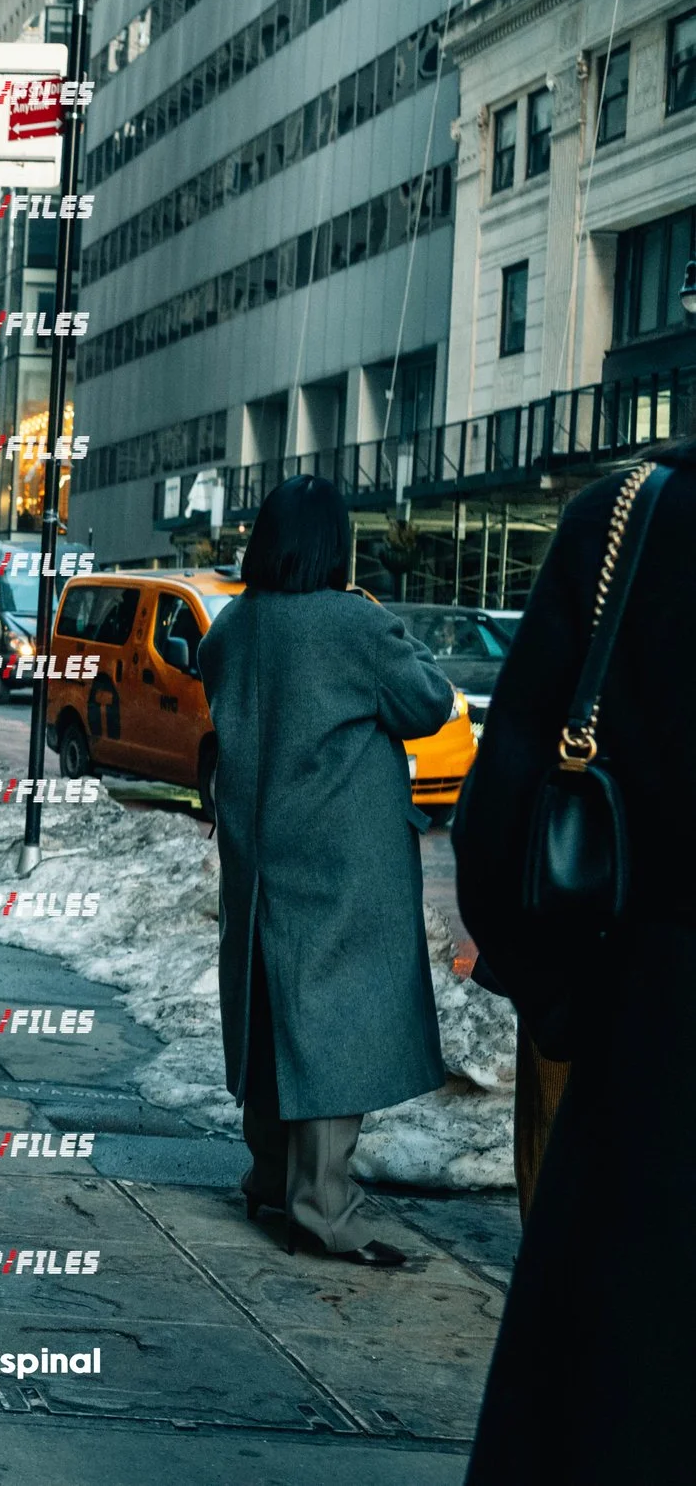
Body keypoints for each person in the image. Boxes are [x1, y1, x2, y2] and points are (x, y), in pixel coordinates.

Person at [455, 438, 693, 1485]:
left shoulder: (628, 520)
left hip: (655, 1058)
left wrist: (570, 1000)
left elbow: (502, 821)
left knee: (617, 1396)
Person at [198, 474, 454, 1268]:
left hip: (262, 854)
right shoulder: (353, 623)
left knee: (273, 1012)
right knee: (336, 1026)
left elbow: (212, 675)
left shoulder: (236, 625)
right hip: (344, 860)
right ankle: (322, 1210)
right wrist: (383, 623)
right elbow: (430, 702)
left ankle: (270, 1179)